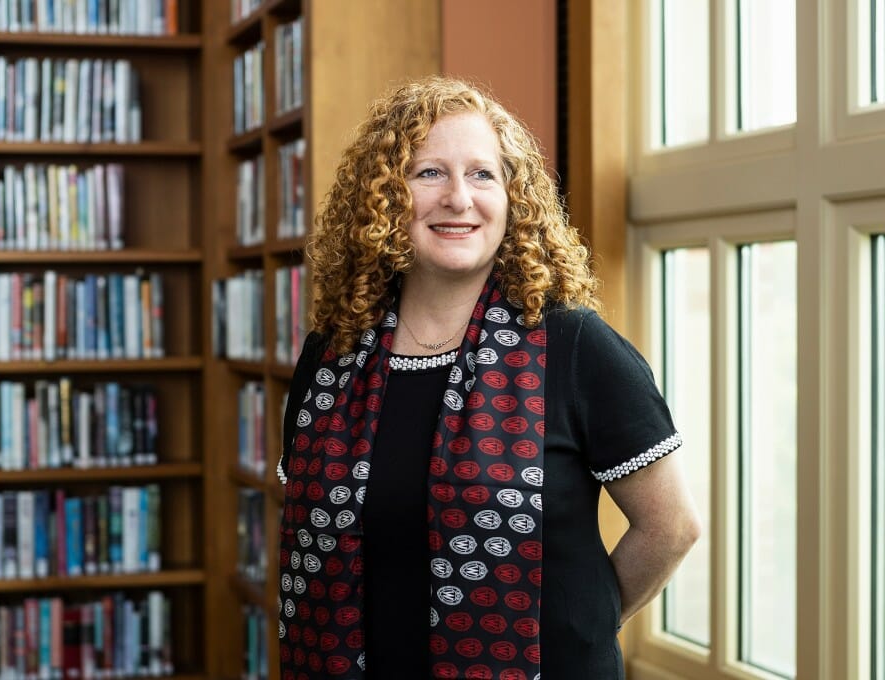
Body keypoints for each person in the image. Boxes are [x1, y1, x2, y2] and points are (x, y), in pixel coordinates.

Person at [277, 76, 700, 680]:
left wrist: (579, 627)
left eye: (482, 174)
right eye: (428, 173)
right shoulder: (331, 354)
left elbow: (672, 528)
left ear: (514, 198)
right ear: (381, 198)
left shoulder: (577, 348)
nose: (458, 198)